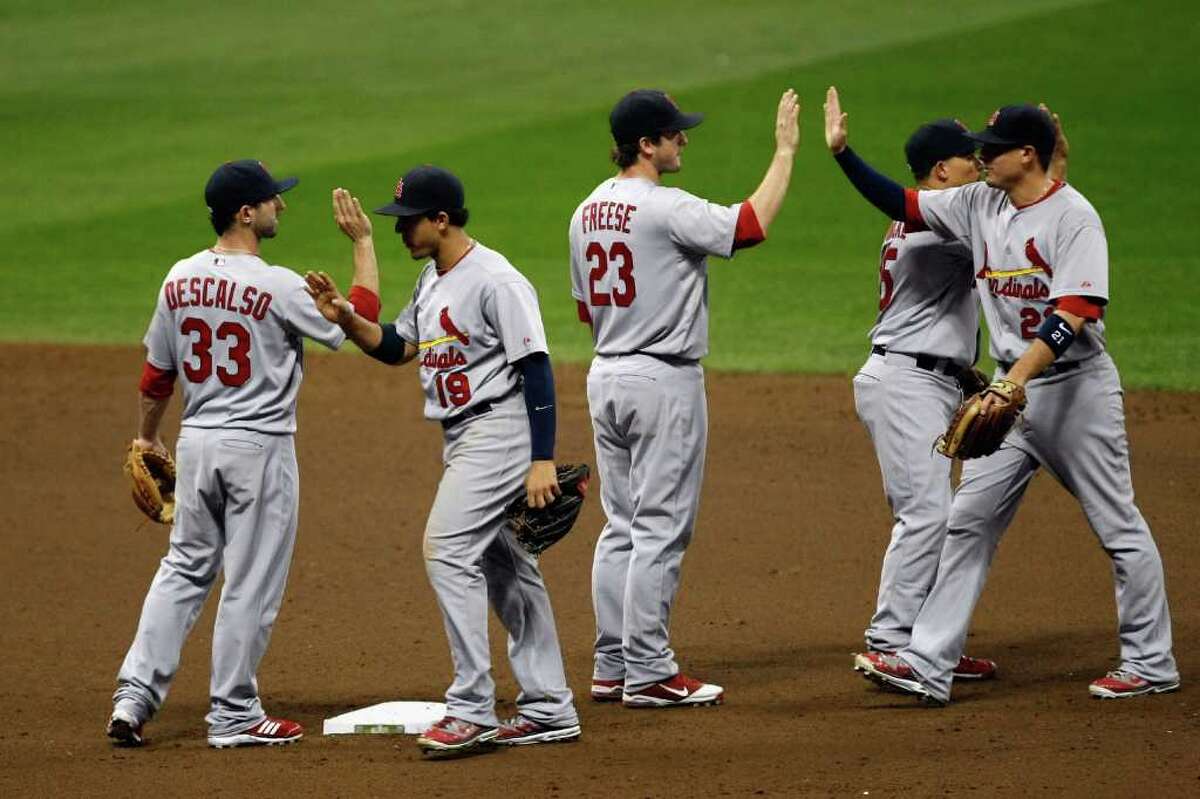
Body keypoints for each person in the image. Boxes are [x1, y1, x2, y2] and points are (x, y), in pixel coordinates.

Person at [825, 87, 1179, 704]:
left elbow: (1076, 311)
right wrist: (843, 155)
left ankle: (1151, 661)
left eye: (994, 150)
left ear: (1028, 154)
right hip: (1008, 397)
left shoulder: (1075, 218)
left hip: (1073, 392)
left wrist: (1018, 378)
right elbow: (903, 201)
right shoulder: (979, 203)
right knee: (966, 523)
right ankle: (929, 661)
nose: (982, 158)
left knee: (1117, 525)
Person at [305, 166, 580, 754]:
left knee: (447, 549)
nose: (401, 231)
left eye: (408, 222)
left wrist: (542, 459)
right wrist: (348, 320)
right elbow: (400, 348)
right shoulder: (432, 279)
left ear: (442, 220)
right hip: (465, 436)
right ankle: (550, 705)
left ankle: (472, 707)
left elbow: (536, 368)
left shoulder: (496, 280)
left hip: (499, 429)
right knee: (507, 566)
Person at [107, 160, 357, 749]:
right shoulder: (277, 285)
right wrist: (364, 247)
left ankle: (133, 696)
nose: (282, 207)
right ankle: (235, 711)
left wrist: (147, 437)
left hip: (197, 443)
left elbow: (155, 375)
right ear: (246, 213)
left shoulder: (178, 277)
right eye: (273, 200)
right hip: (259, 448)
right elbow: (357, 322)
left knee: (183, 570)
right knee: (250, 579)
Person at [568, 88, 798, 707]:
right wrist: (784, 152)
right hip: (662, 381)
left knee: (620, 525)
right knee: (661, 527)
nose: (684, 140)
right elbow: (750, 227)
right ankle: (649, 669)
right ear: (647, 144)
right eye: (674, 133)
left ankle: (612, 663)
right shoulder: (663, 207)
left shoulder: (584, 211)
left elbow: (586, 309)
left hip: (605, 374)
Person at [847, 118, 1000, 682]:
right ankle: (891, 640)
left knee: (934, 513)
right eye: (969, 158)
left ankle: (929, 644)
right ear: (942, 170)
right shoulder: (943, 226)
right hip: (905, 381)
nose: (980, 167)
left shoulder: (922, 218)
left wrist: (961, 372)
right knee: (926, 514)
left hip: (924, 377)